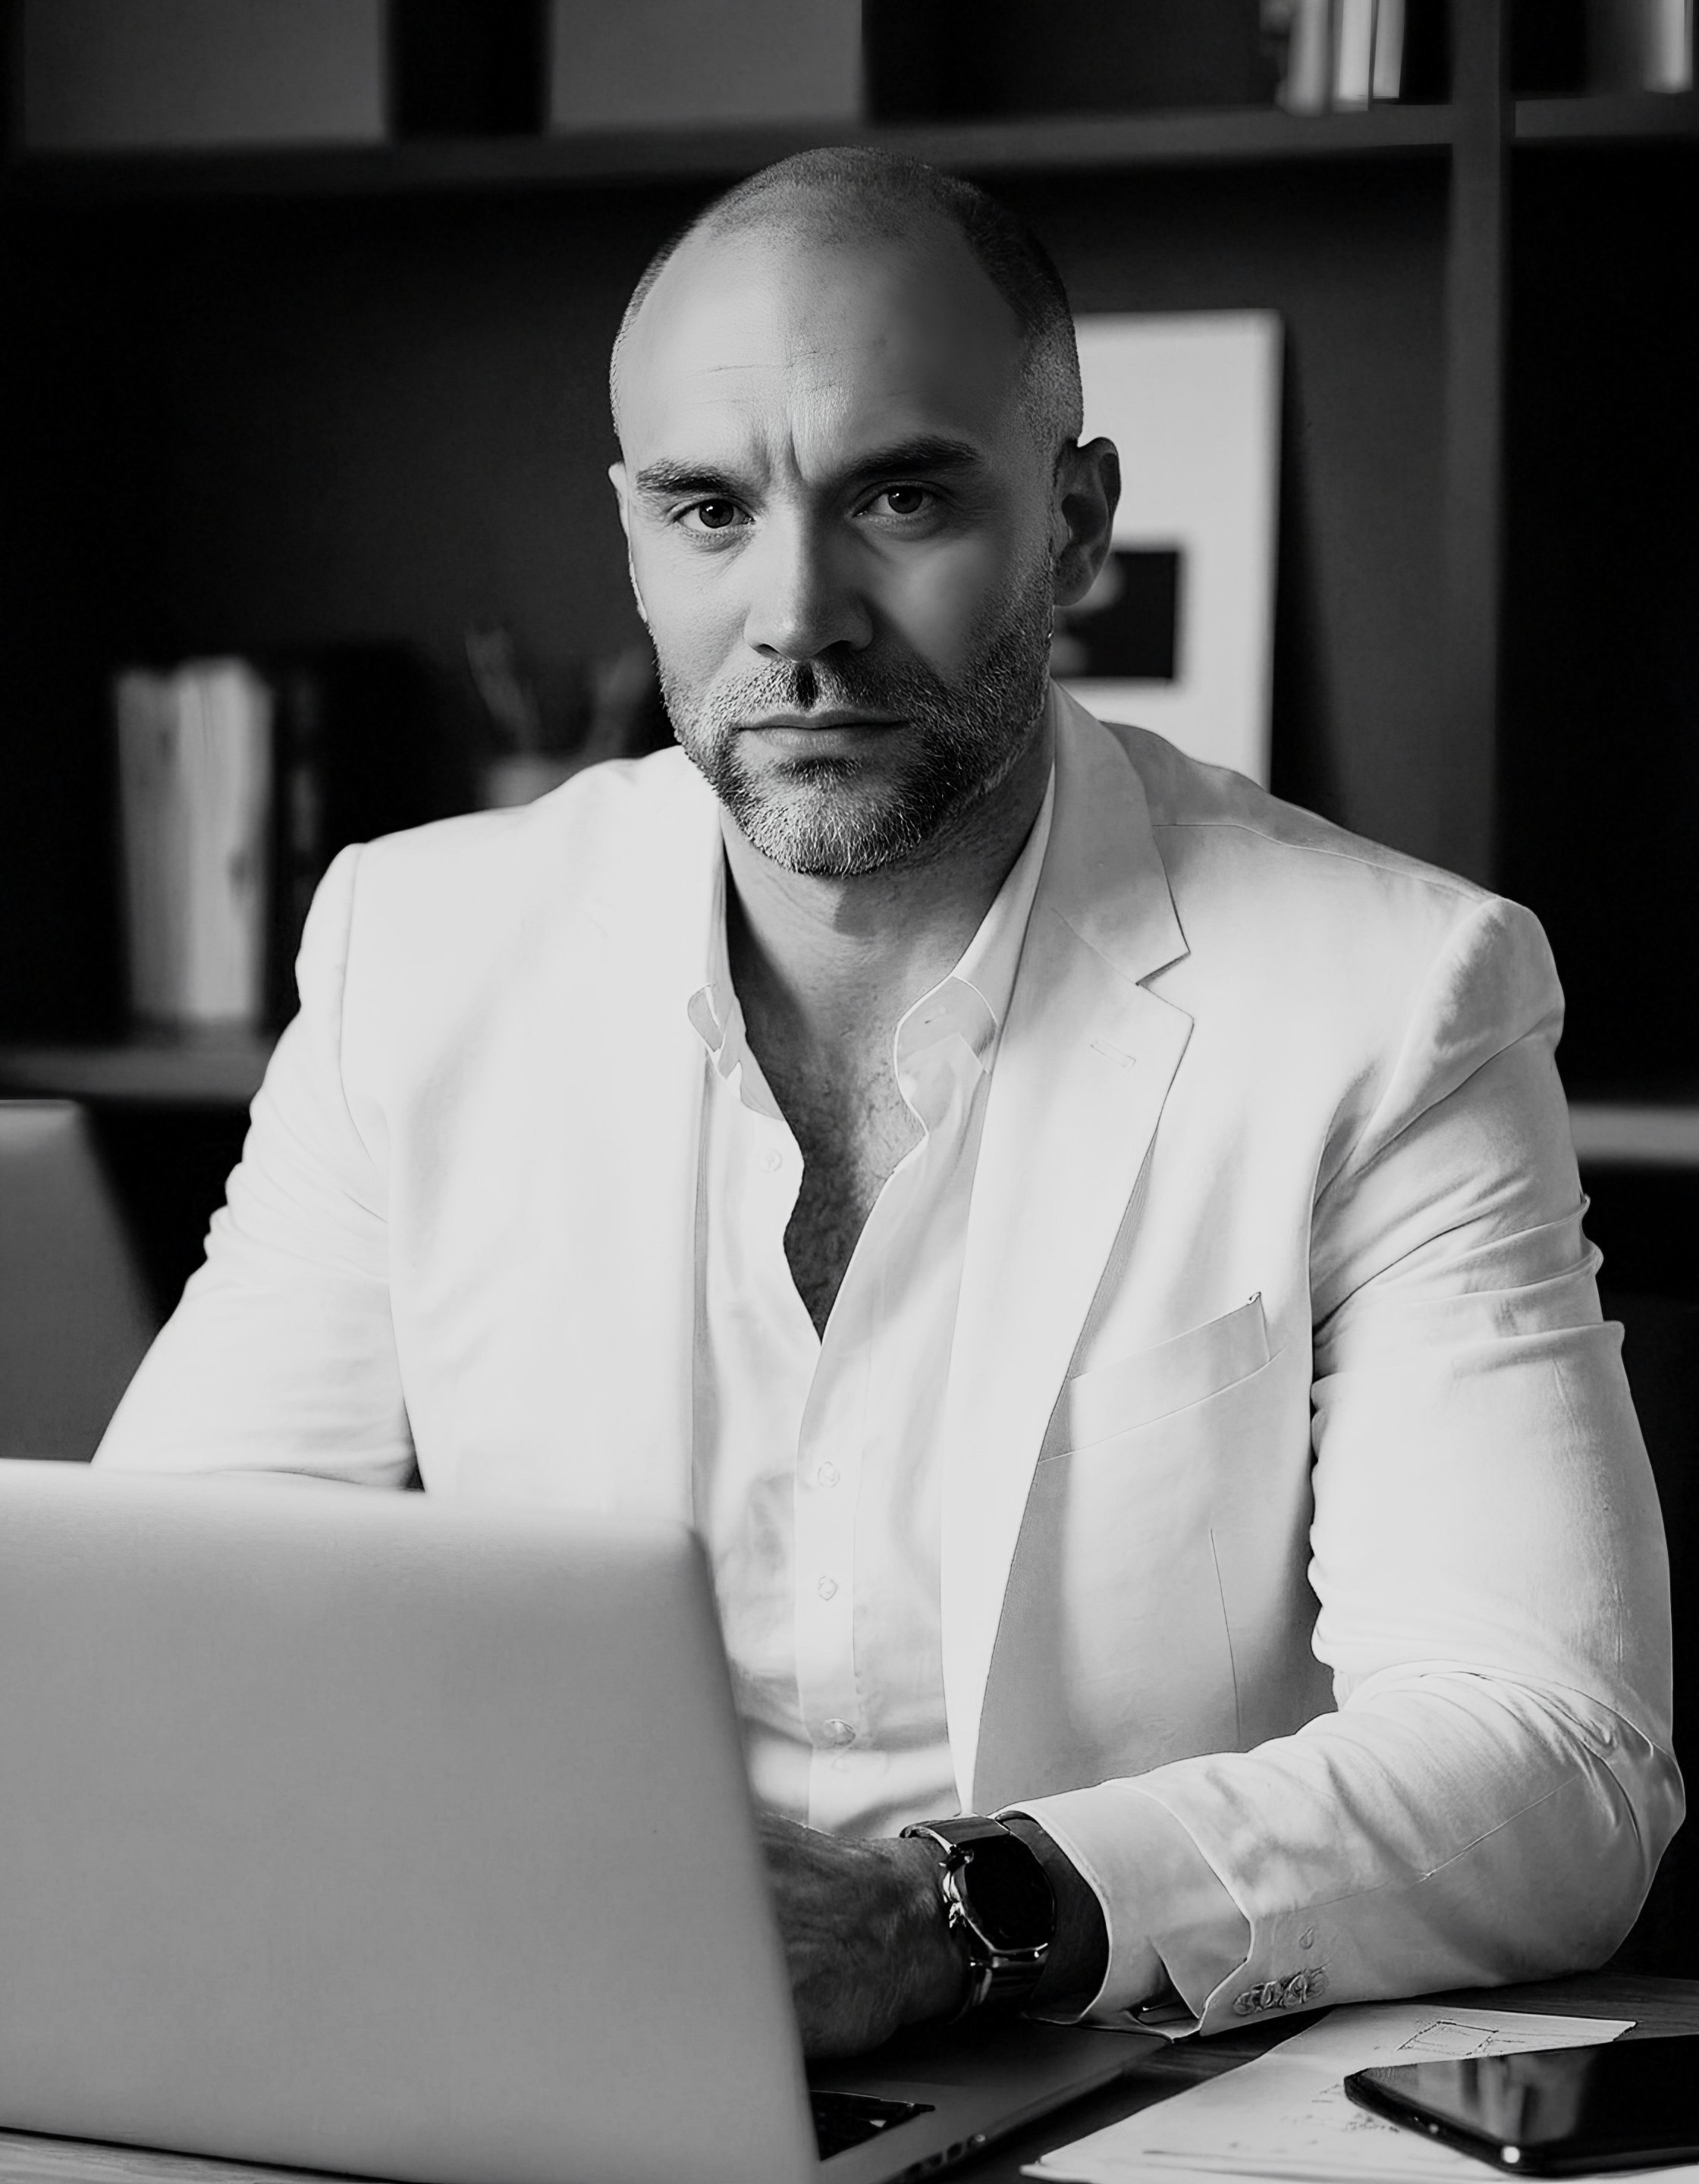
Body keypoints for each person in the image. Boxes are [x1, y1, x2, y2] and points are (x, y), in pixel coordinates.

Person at [97, 148, 1680, 2057]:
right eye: (707, 510)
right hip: (557, 2037)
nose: (799, 615)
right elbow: (163, 1643)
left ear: (1075, 521)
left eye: (902, 496)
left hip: (1111, 2078)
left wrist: (949, 1914)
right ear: (630, 536)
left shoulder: (1389, 1000)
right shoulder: (414, 952)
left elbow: (1557, 1764)